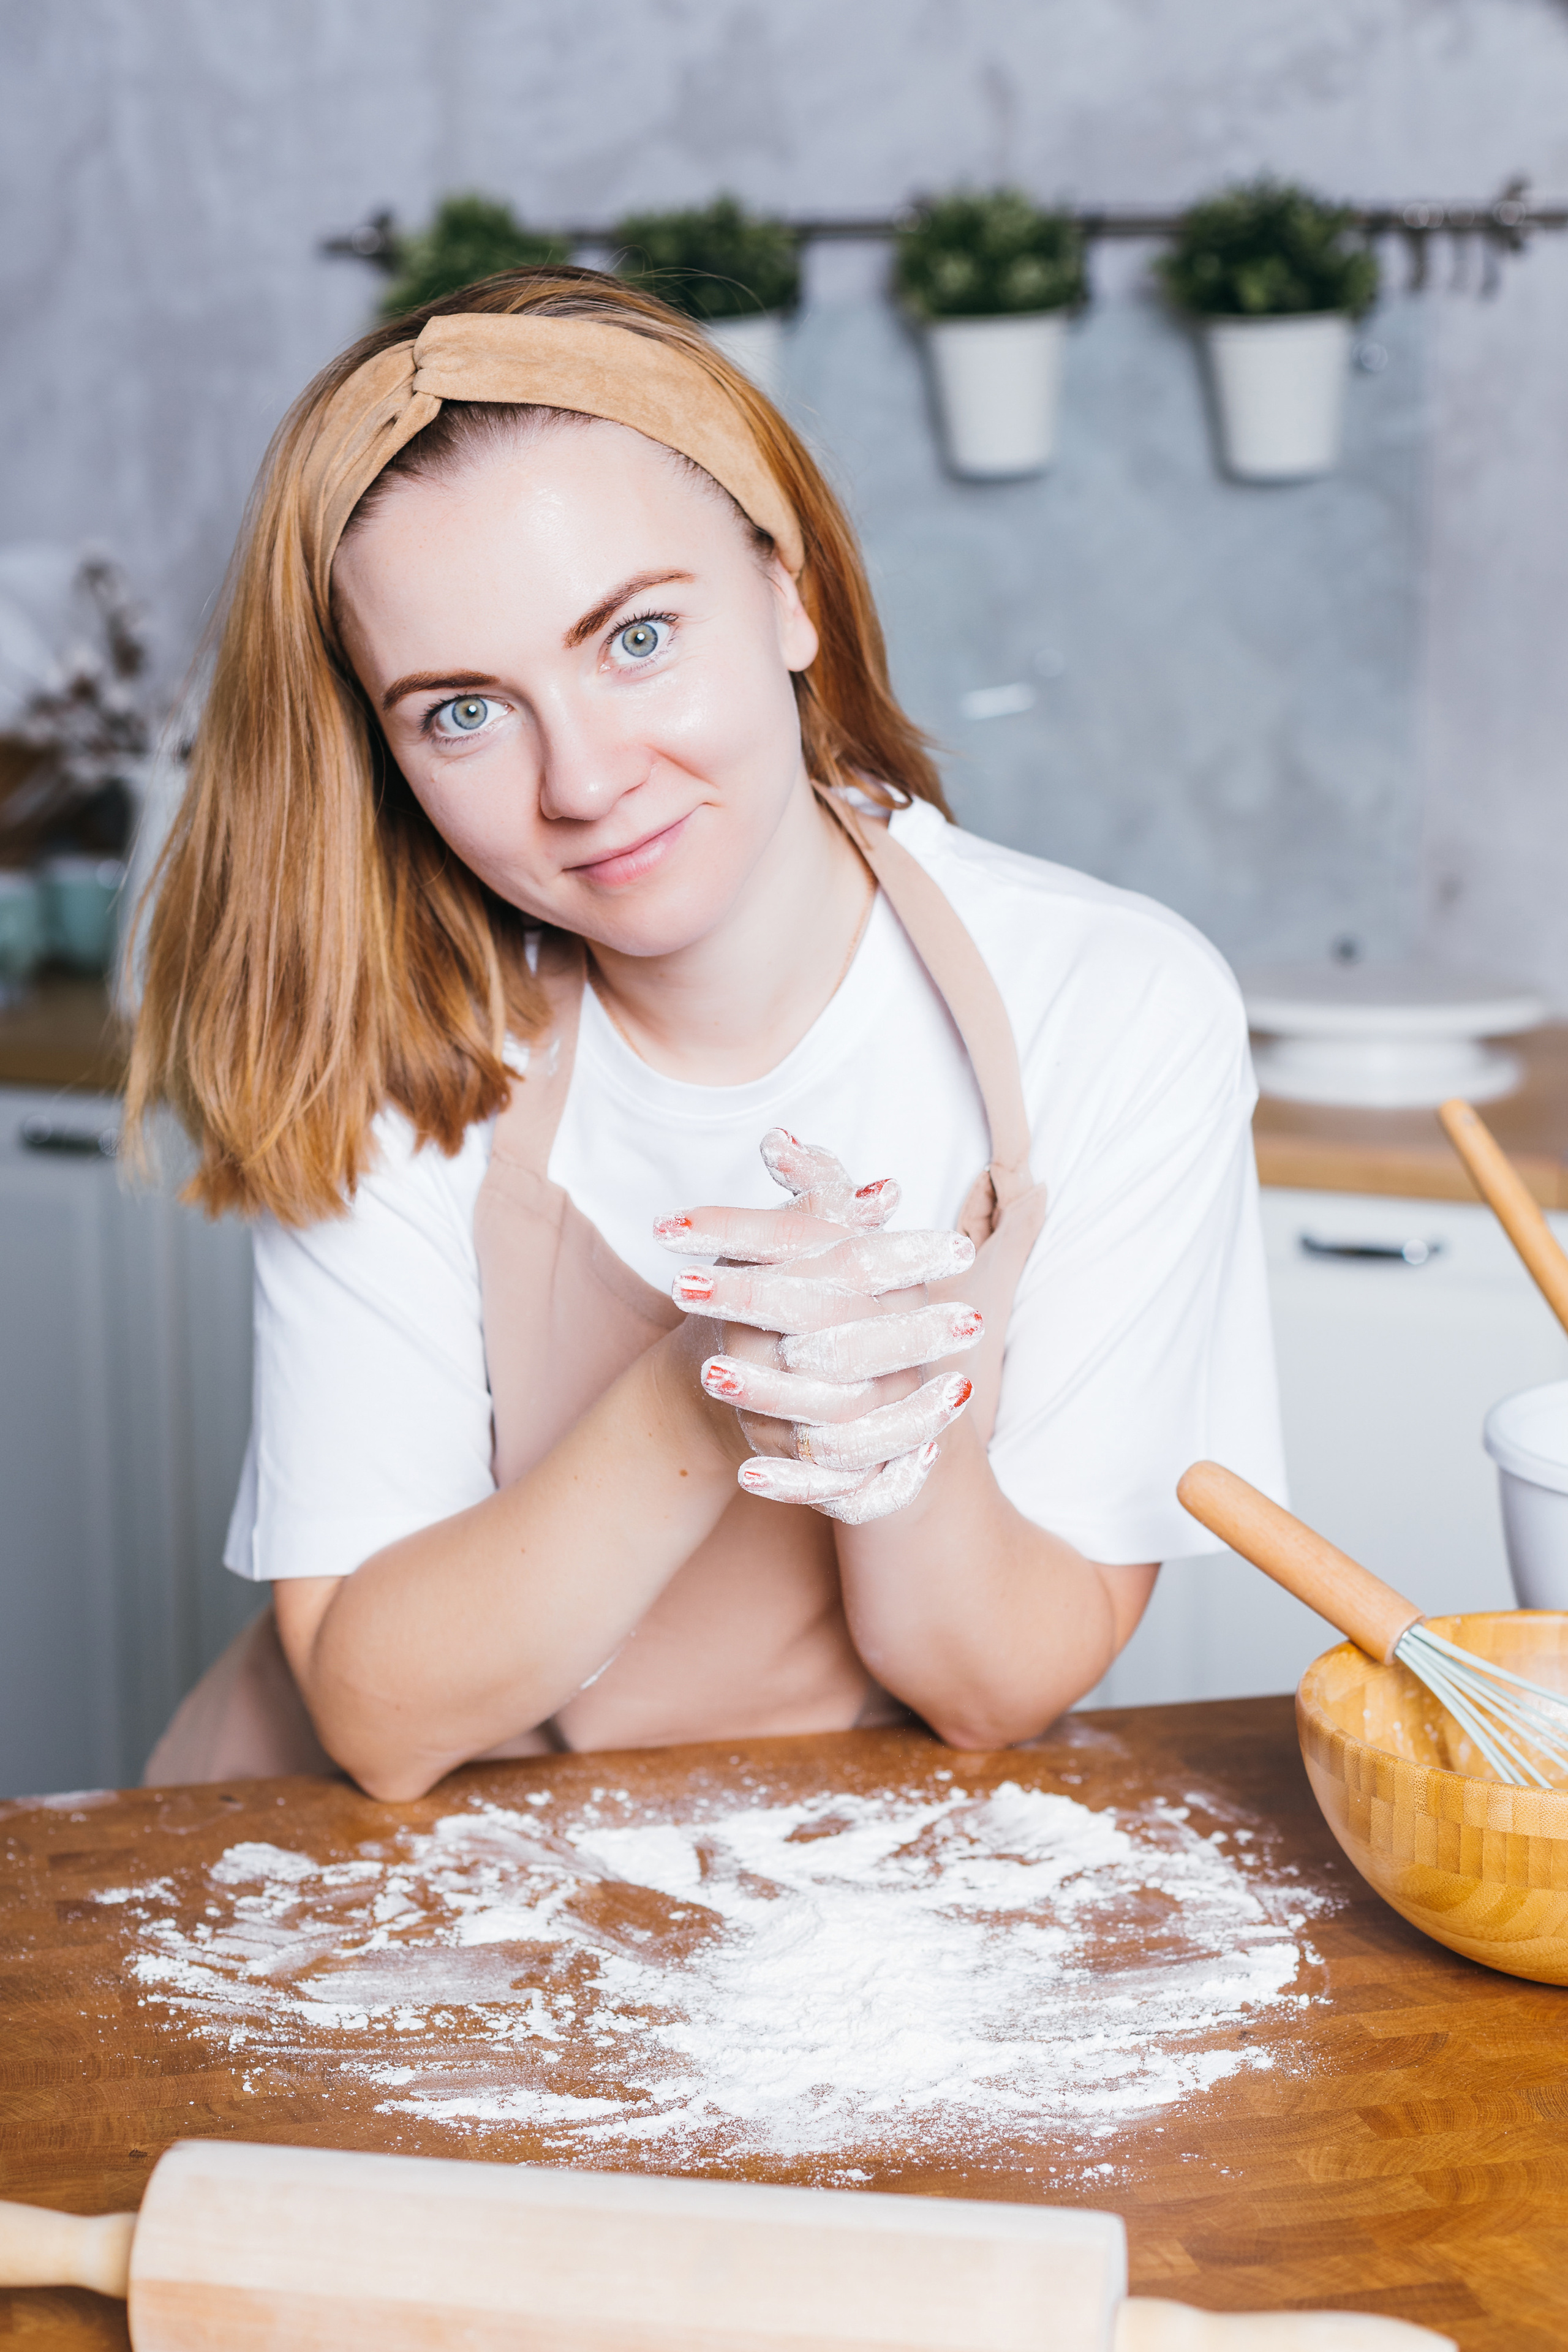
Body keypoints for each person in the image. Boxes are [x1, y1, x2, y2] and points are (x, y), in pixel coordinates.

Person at [130, 267, 1284, 1800]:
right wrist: (703, 1385)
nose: (585, 780)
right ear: (385, 752)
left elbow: (997, 1690)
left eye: (634, 638)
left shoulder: (1116, 1004)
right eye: (461, 711)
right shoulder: (393, 1036)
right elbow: (377, 1720)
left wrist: (886, 1428)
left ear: (787, 593)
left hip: (820, 1882)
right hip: (330, 1870)